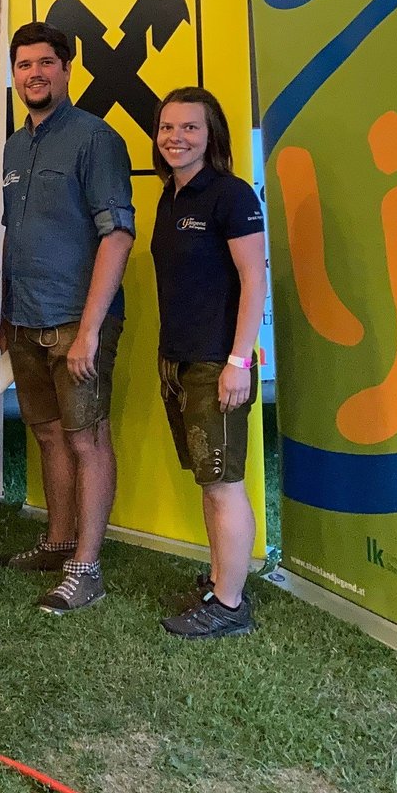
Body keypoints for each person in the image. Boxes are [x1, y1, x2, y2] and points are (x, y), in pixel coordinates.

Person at [0, 20, 135, 615]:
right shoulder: (13, 146)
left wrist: (90, 331)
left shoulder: (95, 138)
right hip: (26, 319)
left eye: (45, 63)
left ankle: (86, 567)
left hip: (78, 323)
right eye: (24, 65)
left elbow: (118, 235)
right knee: (49, 433)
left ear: (67, 68)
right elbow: (14, 233)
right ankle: (57, 543)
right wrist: (6, 314)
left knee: (87, 438)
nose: (35, 74)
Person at [149, 86, 265, 639]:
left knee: (223, 484)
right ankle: (220, 582)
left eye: (190, 127)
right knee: (208, 479)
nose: (176, 137)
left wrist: (238, 360)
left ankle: (230, 605)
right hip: (177, 361)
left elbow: (254, 280)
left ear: (211, 134)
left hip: (217, 364)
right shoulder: (170, 195)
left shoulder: (230, 195)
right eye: (168, 127)